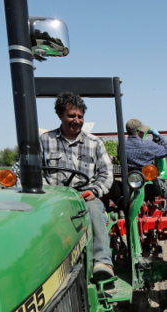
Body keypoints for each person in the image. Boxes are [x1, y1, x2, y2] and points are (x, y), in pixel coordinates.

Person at [40, 92, 114, 281]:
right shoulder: (44, 141)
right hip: (53, 198)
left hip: (84, 195)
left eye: (80, 116)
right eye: (71, 115)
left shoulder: (94, 143)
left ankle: (102, 262)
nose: (77, 120)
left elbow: (106, 174)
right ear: (59, 114)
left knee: (95, 208)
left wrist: (94, 191)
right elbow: (29, 170)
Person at [124, 119, 167, 202]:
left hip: (129, 184)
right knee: (165, 187)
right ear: (139, 132)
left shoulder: (120, 145)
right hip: (151, 186)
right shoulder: (148, 144)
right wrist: (159, 136)